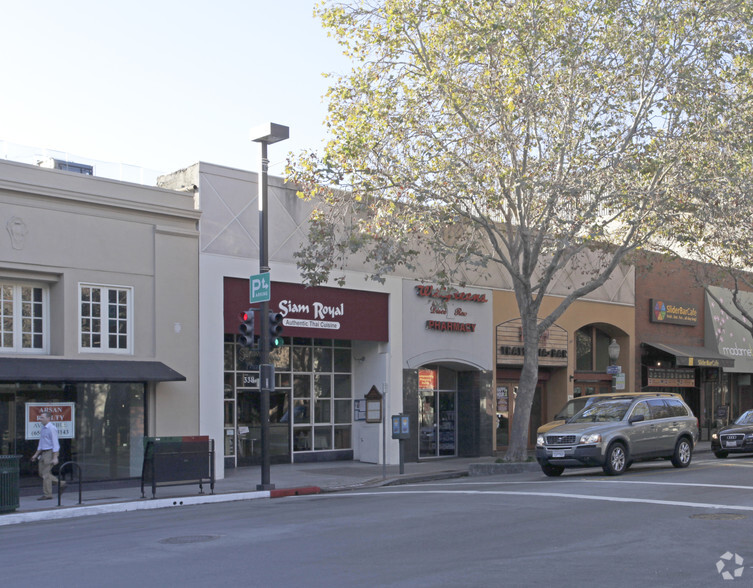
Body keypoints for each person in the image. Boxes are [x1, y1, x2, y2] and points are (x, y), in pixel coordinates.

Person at [30, 410, 63, 500]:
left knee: (45, 474)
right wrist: (36, 455)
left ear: (48, 418)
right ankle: (61, 483)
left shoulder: (52, 428)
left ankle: (47, 494)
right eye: (40, 417)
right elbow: (41, 443)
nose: (40, 419)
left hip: (50, 452)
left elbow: (56, 444)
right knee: (42, 473)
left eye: (42, 417)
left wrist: (55, 457)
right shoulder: (43, 429)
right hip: (43, 452)